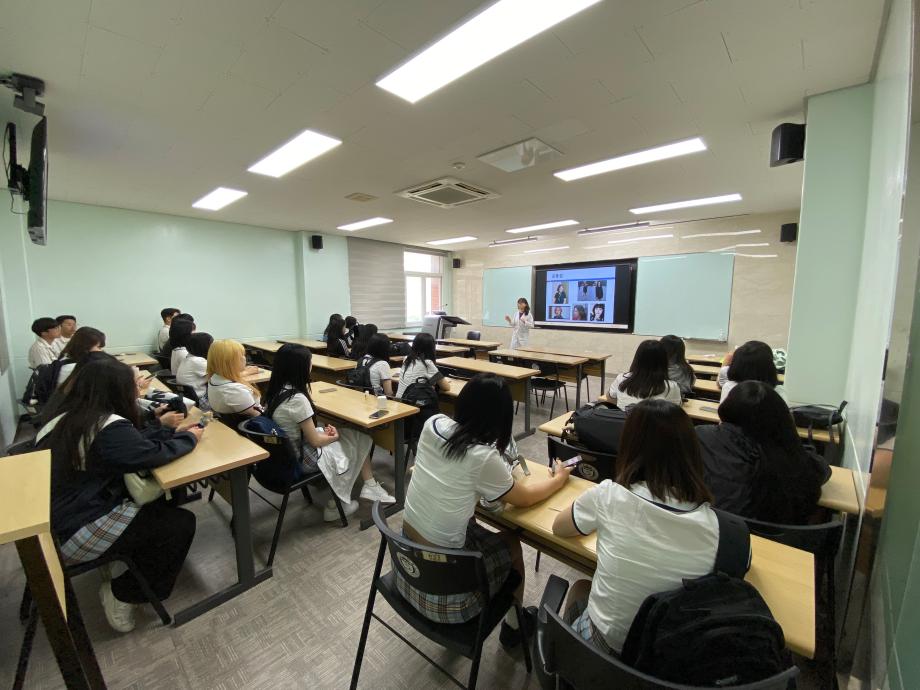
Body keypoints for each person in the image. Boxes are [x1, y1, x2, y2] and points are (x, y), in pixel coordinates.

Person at [399, 374, 573, 645]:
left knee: (473, 525)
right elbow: (524, 498)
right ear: (500, 420)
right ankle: (514, 629)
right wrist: (559, 479)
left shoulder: (433, 423)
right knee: (513, 542)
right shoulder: (482, 456)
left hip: (408, 571)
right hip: (449, 599)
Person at [35, 357, 203, 633]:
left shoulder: (67, 417)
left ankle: (127, 559)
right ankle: (124, 593)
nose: (136, 390)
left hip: (55, 520)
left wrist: (161, 428)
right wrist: (190, 438)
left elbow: (129, 446)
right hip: (74, 530)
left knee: (161, 499)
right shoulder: (106, 426)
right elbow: (150, 456)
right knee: (180, 523)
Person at [552, 399, 729, 655]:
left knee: (580, 587)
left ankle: (570, 663)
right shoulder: (720, 527)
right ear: (691, 451)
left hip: (604, 657)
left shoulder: (609, 496)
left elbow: (559, 527)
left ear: (628, 446)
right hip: (668, 663)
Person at [264, 344, 394, 521]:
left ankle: (368, 486)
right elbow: (316, 441)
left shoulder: (275, 391)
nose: (311, 365)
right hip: (301, 459)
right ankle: (340, 502)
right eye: (309, 362)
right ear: (299, 367)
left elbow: (305, 432)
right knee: (360, 437)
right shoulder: (297, 399)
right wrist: (336, 436)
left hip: (286, 455)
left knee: (355, 435)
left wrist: (328, 434)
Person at [697, 381, 830, 524]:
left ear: (727, 408)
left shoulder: (700, 437)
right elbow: (822, 471)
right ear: (782, 418)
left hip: (709, 530)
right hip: (773, 541)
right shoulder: (792, 459)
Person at [608, 340, 682, 409]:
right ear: (664, 361)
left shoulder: (621, 378)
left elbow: (610, 398)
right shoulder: (671, 386)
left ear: (637, 359)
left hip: (623, 421)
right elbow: (675, 410)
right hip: (653, 422)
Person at [718, 340, 788, 404]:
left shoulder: (728, 386)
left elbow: (721, 379)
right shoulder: (778, 393)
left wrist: (727, 360)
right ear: (770, 367)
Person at [206, 339, 262, 417]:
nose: (244, 358)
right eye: (241, 355)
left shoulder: (215, 377)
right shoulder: (235, 390)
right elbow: (257, 414)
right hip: (252, 423)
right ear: (229, 362)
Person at [396, 333, 451, 398]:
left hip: (398, 400)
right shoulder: (427, 363)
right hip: (412, 403)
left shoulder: (406, 359)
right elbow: (446, 387)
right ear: (431, 348)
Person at [176, 332, 213, 405]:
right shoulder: (198, 361)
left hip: (188, 398)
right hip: (201, 400)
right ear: (204, 346)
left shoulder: (189, 357)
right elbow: (221, 373)